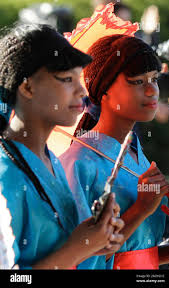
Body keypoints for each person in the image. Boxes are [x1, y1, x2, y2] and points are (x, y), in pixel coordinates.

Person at [0, 24, 124, 269]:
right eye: (67, 79)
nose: (82, 91)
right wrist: (80, 246)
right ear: (27, 87)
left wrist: (98, 237)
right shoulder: (5, 177)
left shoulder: (51, 159)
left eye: (80, 79)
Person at [59, 34, 169, 269]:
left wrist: (168, 253)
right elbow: (74, 259)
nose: (153, 91)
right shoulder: (77, 163)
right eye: (138, 81)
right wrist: (141, 209)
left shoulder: (137, 156)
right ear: (104, 89)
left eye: (154, 79)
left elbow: (133, 254)